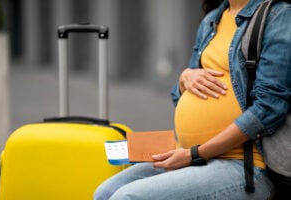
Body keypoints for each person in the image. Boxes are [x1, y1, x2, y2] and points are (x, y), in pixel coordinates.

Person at [93, 0, 291, 199]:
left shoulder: (278, 16)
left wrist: (195, 154)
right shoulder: (213, 19)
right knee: (104, 193)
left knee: (127, 197)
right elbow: (182, 97)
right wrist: (184, 78)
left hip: (243, 164)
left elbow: (268, 109)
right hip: (190, 155)